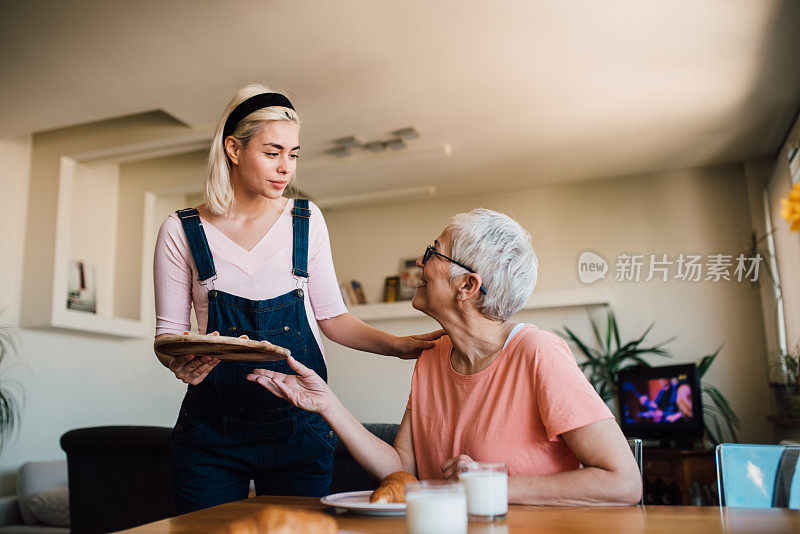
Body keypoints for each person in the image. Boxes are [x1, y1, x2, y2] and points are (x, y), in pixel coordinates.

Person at [153, 84, 442, 513]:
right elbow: (168, 337)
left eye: (293, 154)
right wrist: (180, 361)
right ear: (233, 148)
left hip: (299, 432)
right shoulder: (181, 230)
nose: (285, 167)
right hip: (210, 434)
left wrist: (398, 347)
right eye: (272, 152)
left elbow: (333, 319)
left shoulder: (305, 220)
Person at [249, 209, 643, 505]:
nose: (420, 263)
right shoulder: (434, 356)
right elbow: (401, 469)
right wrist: (328, 405)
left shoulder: (537, 353)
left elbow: (623, 482)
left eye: (433, 253)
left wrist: (492, 485)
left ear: (468, 285)